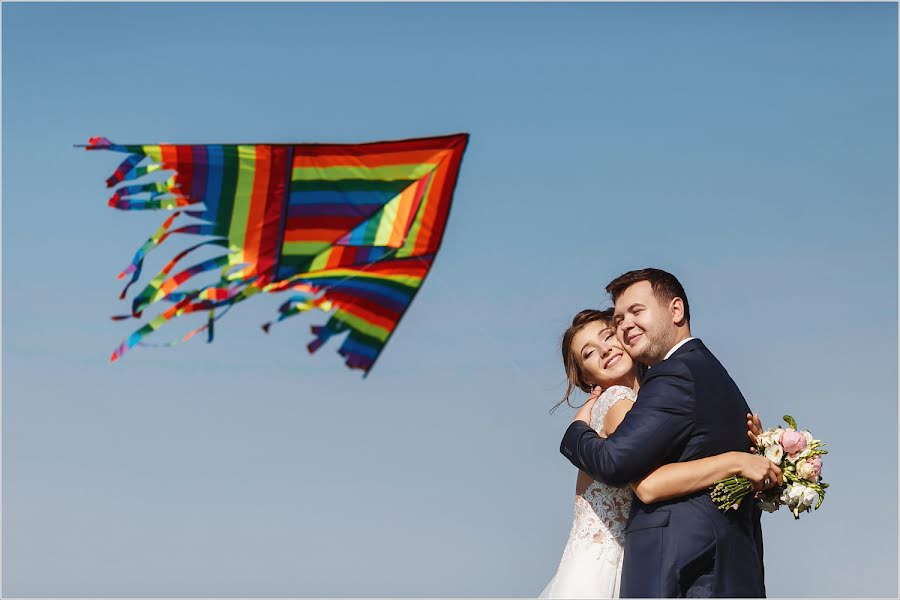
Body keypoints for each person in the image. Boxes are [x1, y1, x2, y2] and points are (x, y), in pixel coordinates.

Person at [559, 268, 776, 597]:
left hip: (677, 563)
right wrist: (739, 460)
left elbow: (634, 474)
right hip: (638, 563)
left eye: (610, 333)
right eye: (588, 353)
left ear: (675, 310)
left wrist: (575, 434)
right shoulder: (628, 397)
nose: (622, 330)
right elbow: (644, 481)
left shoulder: (669, 379)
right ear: (585, 378)